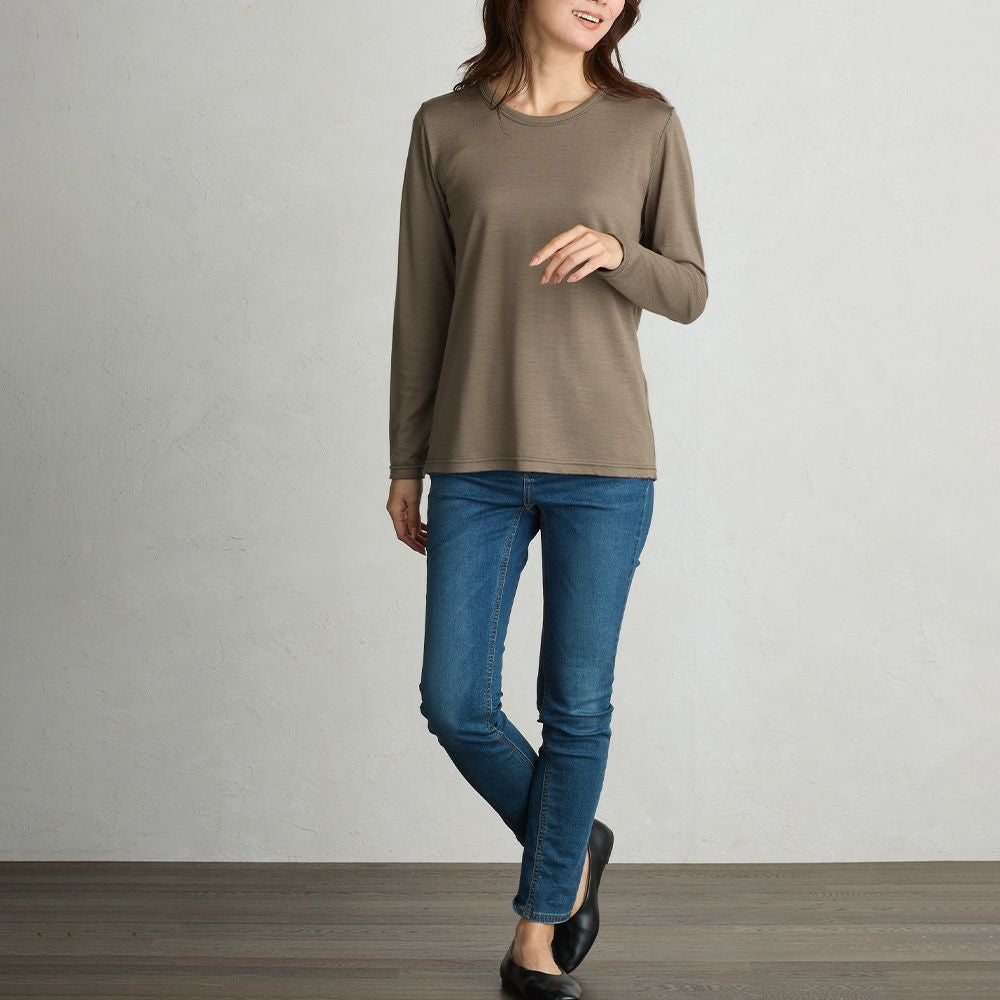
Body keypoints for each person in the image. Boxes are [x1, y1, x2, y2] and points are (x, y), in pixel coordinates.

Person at [385, 1, 707, 996]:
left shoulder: (645, 123)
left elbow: (689, 289)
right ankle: (572, 843)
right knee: (455, 703)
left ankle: (536, 932)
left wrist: (619, 255)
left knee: (575, 706)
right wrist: (405, 461)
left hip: (602, 461)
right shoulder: (445, 126)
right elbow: (422, 304)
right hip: (473, 458)